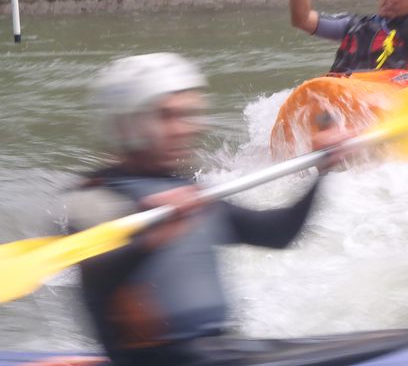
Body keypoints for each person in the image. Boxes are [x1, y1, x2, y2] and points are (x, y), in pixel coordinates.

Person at [65, 52, 346, 366]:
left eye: (187, 115)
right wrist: (150, 239)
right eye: (166, 116)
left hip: (219, 352)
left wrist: (322, 171)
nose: (183, 129)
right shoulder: (94, 197)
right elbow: (98, 275)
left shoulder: (188, 193)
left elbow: (279, 233)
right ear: (127, 124)